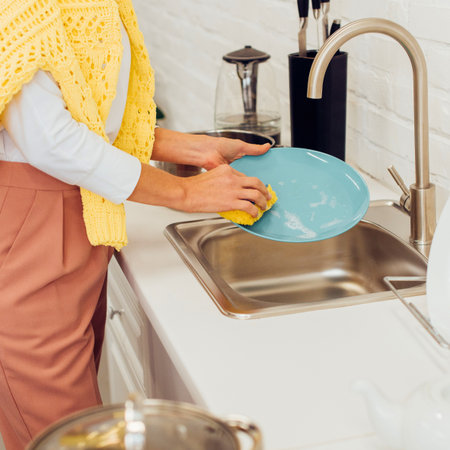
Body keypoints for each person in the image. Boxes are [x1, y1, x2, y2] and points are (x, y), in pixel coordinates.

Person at [0, 0, 271, 448]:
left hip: (75, 221)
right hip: (35, 227)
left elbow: (88, 116)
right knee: (68, 437)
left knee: (80, 423)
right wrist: (184, 193)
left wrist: (194, 147)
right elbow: (50, 142)